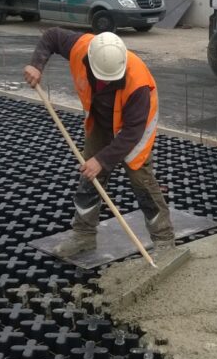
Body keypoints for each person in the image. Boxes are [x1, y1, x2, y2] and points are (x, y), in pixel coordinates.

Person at [23, 29, 175, 258]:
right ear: (90, 61)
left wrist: (102, 160)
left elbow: (132, 132)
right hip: (101, 119)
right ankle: (83, 235)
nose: (106, 81)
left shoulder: (138, 83)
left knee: (141, 180)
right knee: (90, 176)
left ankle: (164, 240)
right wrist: (36, 64)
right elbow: (51, 36)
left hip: (133, 129)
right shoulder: (82, 48)